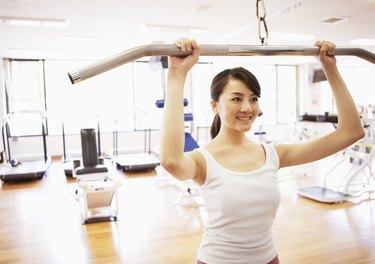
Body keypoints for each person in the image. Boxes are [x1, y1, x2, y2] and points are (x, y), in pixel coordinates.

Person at [160, 38, 364, 264]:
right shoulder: (203, 160)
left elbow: (351, 132)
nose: (247, 108)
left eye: (253, 99)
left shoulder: (273, 155)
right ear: (215, 106)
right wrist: (176, 75)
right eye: (236, 99)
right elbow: (171, 162)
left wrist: (330, 68)